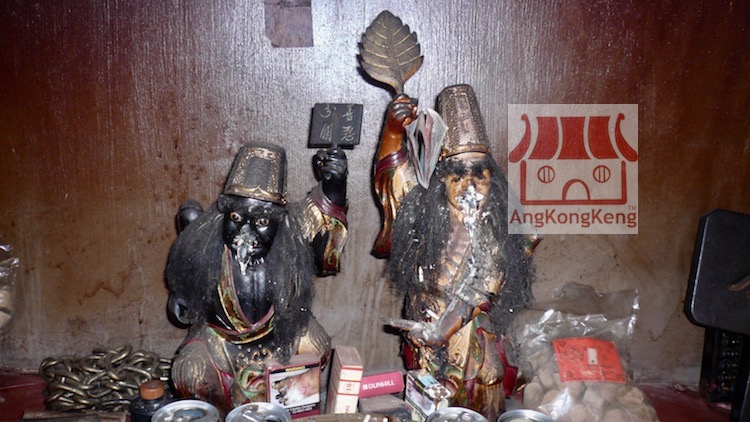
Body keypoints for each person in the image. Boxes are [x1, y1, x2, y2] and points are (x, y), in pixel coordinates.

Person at [372, 84, 537, 419]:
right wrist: (392, 131)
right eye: (458, 176)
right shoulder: (423, 210)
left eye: (480, 175)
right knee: (424, 398)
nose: (469, 185)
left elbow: (480, 290)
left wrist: (441, 331)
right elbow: (393, 176)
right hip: (423, 322)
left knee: (481, 388)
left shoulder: (497, 231)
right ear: (441, 181)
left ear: (493, 181)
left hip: (469, 336)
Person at [165, 142, 348, 415]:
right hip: (222, 343)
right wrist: (180, 296)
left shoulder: (291, 232)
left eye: (262, 222)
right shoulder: (206, 239)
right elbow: (185, 273)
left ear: (278, 221)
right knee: (188, 373)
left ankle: (289, 411)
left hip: (281, 335)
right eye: (236, 217)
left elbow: (322, 215)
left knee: (316, 345)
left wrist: (335, 183)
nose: (245, 232)